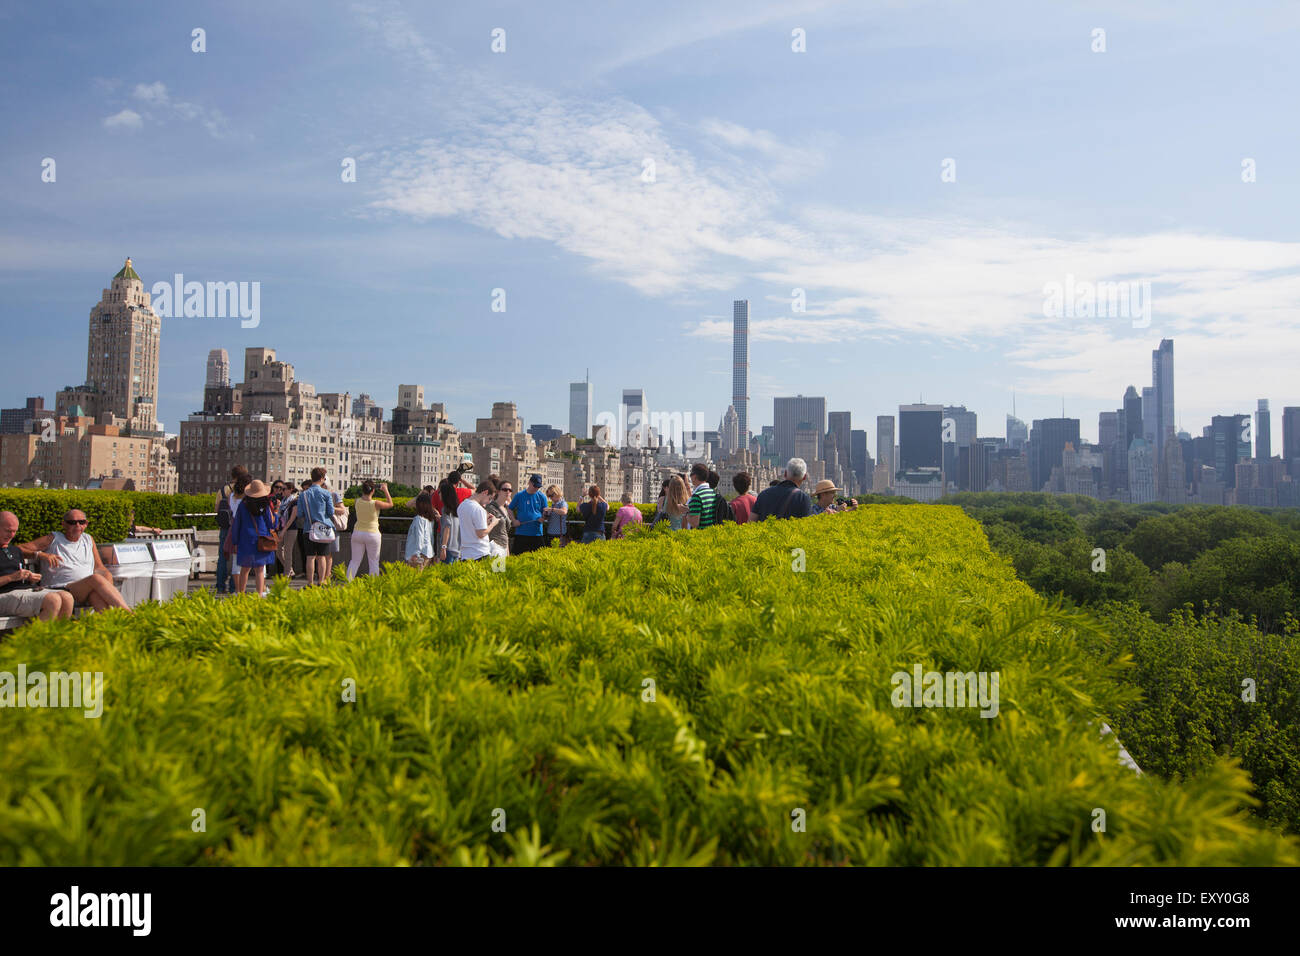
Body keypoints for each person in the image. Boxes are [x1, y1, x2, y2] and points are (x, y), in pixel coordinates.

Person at [20, 510, 131, 611]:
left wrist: (107, 582)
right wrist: (39, 554)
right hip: (58, 589)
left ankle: (112, 624)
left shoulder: (88, 539)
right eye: (72, 522)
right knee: (95, 579)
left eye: (81, 522)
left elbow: (99, 568)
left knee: (96, 596)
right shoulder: (53, 539)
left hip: (84, 589)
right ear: (64, 524)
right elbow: (19, 549)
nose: (77, 525)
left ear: (86, 524)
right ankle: (129, 614)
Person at [0, 510, 75, 622]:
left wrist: (29, 577)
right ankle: (37, 634)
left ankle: (57, 633)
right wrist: (11, 577)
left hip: (24, 591)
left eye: (14, 531)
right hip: (4, 594)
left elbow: (20, 577)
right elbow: (13, 577)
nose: (11, 535)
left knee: (67, 597)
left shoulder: (15, 550)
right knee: (52, 600)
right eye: (7, 531)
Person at [231, 479, 275, 596]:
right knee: (259, 569)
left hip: (246, 539)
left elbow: (237, 524)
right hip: (261, 538)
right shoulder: (265, 505)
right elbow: (271, 524)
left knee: (245, 569)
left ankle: (241, 594)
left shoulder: (243, 505)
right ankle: (259, 594)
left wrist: (235, 541)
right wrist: (275, 512)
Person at [298, 468, 336, 587]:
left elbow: (300, 514)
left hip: (308, 529)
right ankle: (321, 581)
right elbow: (331, 512)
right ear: (322, 479)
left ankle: (310, 583)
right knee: (321, 557)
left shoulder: (303, 494)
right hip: (323, 529)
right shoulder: (326, 493)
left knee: (310, 557)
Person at [348, 480, 393, 579]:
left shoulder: (356, 501)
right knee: (373, 562)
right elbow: (390, 504)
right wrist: (385, 490)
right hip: (372, 534)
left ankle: (347, 582)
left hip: (357, 532)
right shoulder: (376, 503)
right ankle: (373, 583)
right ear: (373, 491)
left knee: (354, 561)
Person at [214, 465, 248, 593]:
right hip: (239, 529)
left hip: (224, 527)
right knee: (237, 558)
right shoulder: (245, 490)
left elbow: (216, 509)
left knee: (222, 557)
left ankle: (220, 585)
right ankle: (235, 587)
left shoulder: (223, 490)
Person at [457, 481, 499, 561]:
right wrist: (493, 523)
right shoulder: (479, 509)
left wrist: (485, 522)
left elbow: (470, 527)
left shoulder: (461, 506)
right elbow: (481, 534)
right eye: (489, 498)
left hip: (466, 554)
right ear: (485, 492)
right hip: (480, 553)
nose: (489, 502)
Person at [509, 474, 548, 554]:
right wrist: (514, 520)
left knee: (539, 556)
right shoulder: (519, 495)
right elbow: (509, 509)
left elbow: (545, 511)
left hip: (537, 533)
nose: (536, 488)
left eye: (538, 487)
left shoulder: (542, 497)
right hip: (521, 532)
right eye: (535, 486)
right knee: (518, 556)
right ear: (529, 483)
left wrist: (543, 517)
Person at [275, 480, 302, 577]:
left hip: (291, 529)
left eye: (284, 489)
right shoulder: (283, 501)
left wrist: (284, 530)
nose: (282, 491)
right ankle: (290, 570)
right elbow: (279, 515)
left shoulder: (295, 501)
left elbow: (292, 518)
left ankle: (286, 574)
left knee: (288, 551)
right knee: (278, 551)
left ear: (290, 490)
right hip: (281, 527)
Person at [405, 492, 439, 567]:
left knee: (415, 574)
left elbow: (420, 537)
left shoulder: (419, 519)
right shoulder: (430, 519)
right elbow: (431, 538)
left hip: (420, 554)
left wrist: (416, 553)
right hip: (428, 553)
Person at [685, 463, 719, 530]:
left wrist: (685, 512)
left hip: (700, 534)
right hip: (710, 532)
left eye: (691, 474)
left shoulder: (697, 496)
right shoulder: (712, 492)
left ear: (695, 476)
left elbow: (694, 523)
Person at [486, 479, 513, 560]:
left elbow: (505, 532)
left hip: (503, 546)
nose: (508, 492)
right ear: (498, 491)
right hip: (494, 547)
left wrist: (507, 551)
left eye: (510, 490)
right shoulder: (490, 508)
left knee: (502, 568)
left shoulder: (505, 509)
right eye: (505, 489)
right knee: (496, 568)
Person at [437, 477, 462, 565]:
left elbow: (447, 528)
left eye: (440, 492)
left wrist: (443, 547)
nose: (439, 494)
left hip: (448, 550)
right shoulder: (457, 510)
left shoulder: (445, 510)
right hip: (457, 549)